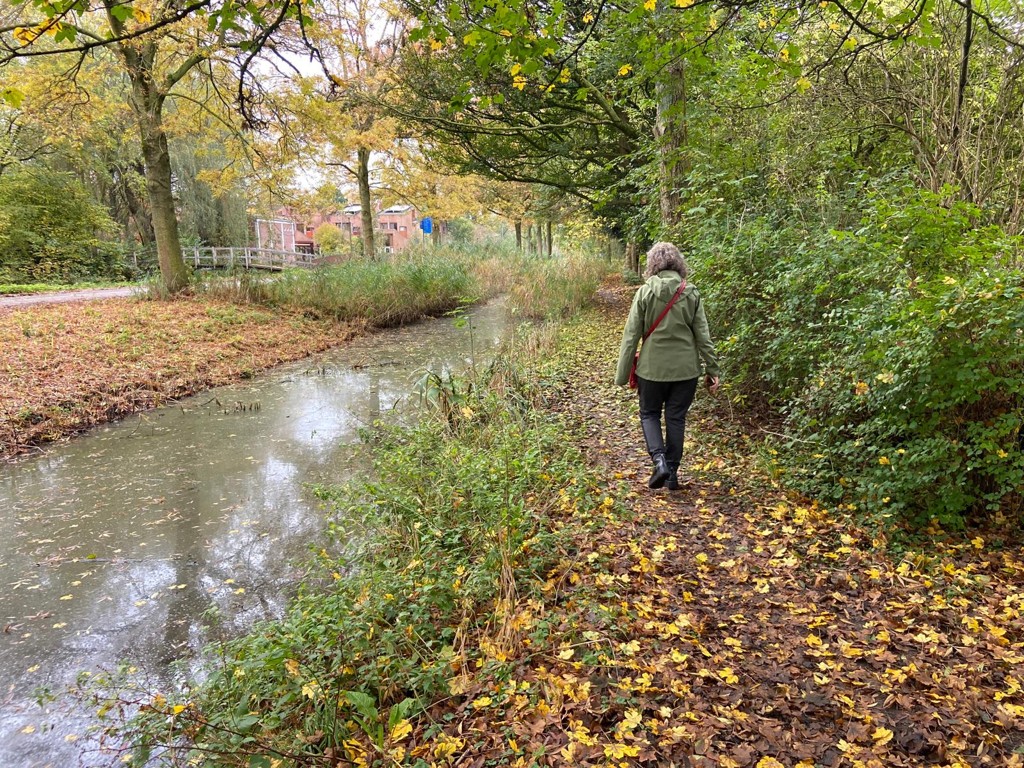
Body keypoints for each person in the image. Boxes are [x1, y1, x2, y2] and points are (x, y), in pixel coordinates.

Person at [615, 242, 721, 490]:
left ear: (653, 265)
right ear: (679, 264)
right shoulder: (691, 293)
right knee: (676, 418)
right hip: (686, 371)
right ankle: (672, 474)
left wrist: (622, 375)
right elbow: (703, 337)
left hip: (651, 369)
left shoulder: (644, 292)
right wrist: (712, 370)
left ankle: (659, 461)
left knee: (649, 414)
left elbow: (631, 336)